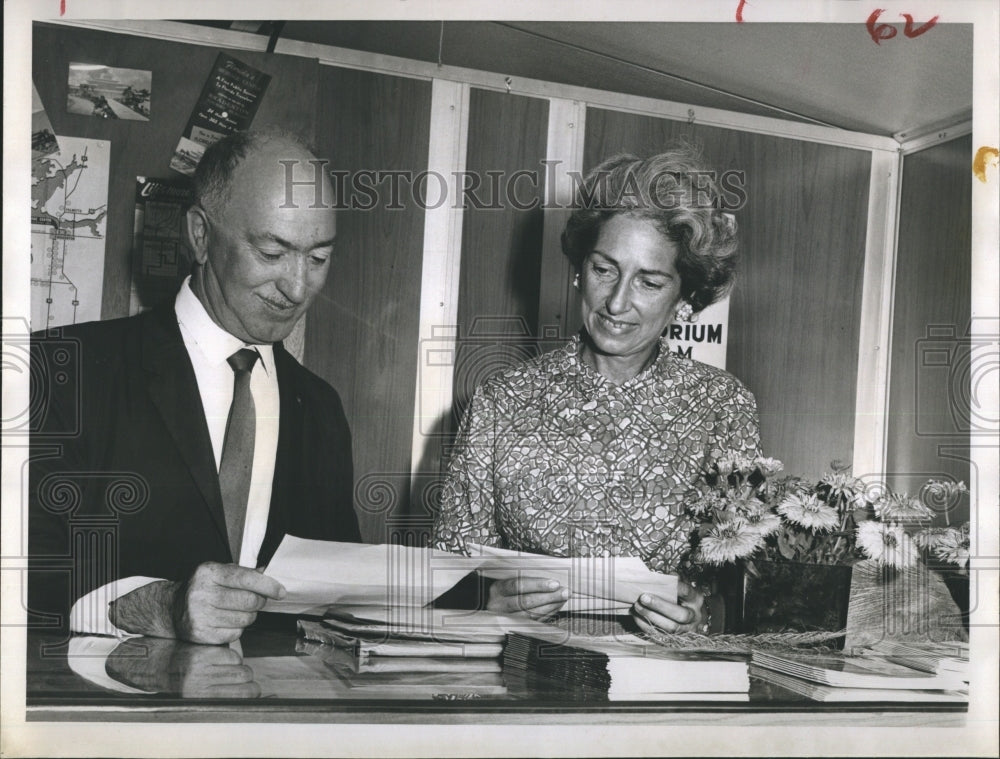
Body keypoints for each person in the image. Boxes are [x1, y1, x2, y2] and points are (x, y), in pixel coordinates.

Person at [29, 129, 360, 645]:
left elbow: (337, 595)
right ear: (201, 236)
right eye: (273, 252)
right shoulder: (59, 370)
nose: (298, 287)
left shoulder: (320, 408)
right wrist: (152, 607)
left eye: (318, 258)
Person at [433, 147, 761, 636]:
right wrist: (489, 603)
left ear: (684, 297)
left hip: (661, 687)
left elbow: (743, 586)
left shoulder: (723, 407)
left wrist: (702, 616)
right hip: (524, 673)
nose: (616, 301)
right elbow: (445, 574)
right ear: (578, 267)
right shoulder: (502, 400)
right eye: (604, 269)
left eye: (649, 281)